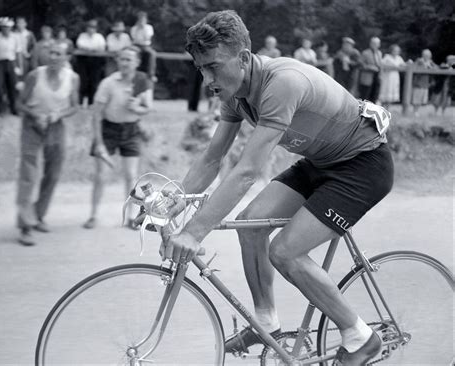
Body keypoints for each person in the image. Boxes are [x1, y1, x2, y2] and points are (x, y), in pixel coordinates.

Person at [163, 10, 393, 365]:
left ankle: (360, 337)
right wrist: (174, 200)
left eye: (213, 66)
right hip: (321, 162)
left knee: (285, 252)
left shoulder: (281, 82)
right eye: (201, 69)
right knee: (250, 224)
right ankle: (266, 322)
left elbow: (245, 172)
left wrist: (194, 233)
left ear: (243, 58)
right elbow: (213, 158)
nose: (208, 78)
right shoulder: (235, 91)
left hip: (362, 167)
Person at [16, 42, 80, 246]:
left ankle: (38, 215)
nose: (53, 57)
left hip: (55, 125)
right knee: (29, 174)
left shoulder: (72, 78)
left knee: (53, 173)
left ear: (67, 57)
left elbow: (74, 107)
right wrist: (36, 116)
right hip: (32, 125)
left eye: (58, 54)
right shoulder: (35, 75)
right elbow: (19, 103)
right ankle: (25, 226)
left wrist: (56, 115)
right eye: (50, 53)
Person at [83, 46, 153, 229]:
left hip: (131, 130)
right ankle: (93, 215)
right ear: (117, 61)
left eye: (129, 59)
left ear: (137, 62)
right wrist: (98, 142)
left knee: (131, 176)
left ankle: (130, 217)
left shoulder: (142, 80)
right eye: (122, 59)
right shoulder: (108, 83)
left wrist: (136, 108)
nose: (124, 63)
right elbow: (96, 114)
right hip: (108, 130)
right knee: (101, 175)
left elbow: (147, 108)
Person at [0, 17, 22, 115]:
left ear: (11, 28)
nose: (5, 29)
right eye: (3, 27)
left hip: (11, 62)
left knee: (13, 86)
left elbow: (18, 53)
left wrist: (19, 66)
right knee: (0, 86)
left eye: (7, 27)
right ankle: (1, 109)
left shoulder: (15, 37)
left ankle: (14, 108)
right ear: (1, 28)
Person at [76, 19, 107, 106]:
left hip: (96, 61)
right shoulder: (82, 35)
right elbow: (80, 44)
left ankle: (91, 103)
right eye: (89, 27)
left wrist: (89, 48)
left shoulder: (99, 37)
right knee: (83, 81)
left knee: (94, 82)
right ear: (86, 28)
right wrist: (91, 48)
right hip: (83, 60)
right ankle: (80, 102)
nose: (91, 29)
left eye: (93, 27)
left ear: (96, 29)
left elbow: (102, 47)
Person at [130, 11, 157, 81]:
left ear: (146, 20)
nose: (141, 21)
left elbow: (147, 38)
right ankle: (131, 73)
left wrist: (143, 28)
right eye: (140, 19)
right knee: (132, 54)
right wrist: (138, 29)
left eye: (143, 19)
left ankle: (151, 74)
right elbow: (134, 38)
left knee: (152, 54)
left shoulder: (149, 28)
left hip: (146, 46)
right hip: (136, 45)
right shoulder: (133, 28)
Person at [379, 44, 406, 109]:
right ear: (391, 50)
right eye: (395, 50)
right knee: (386, 90)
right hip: (387, 77)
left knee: (392, 91)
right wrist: (393, 67)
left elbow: (403, 66)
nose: (396, 52)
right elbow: (382, 65)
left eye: (397, 51)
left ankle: (387, 108)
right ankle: (381, 108)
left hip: (395, 77)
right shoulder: (387, 57)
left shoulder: (399, 58)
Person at [412, 49, 437, 117]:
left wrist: (431, 67)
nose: (427, 57)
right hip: (418, 82)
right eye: (426, 55)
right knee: (416, 98)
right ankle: (415, 111)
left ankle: (417, 111)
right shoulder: (419, 60)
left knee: (422, 99)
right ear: (423, 55)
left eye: (429, 55)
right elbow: (414, 67)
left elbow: (436, 67)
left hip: (425, 83)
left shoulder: (430, 62)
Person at [358, 37, 382, 103]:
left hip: (376, 77)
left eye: (376, 43)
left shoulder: (379, 53)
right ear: (370, 44)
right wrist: (369, 67)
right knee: (365, 96)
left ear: (379, 45)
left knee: (374, 95)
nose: (375, 45)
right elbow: (360, 64)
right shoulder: (365, 53)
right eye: (373, 43)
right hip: (367, 77)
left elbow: (380, 64)